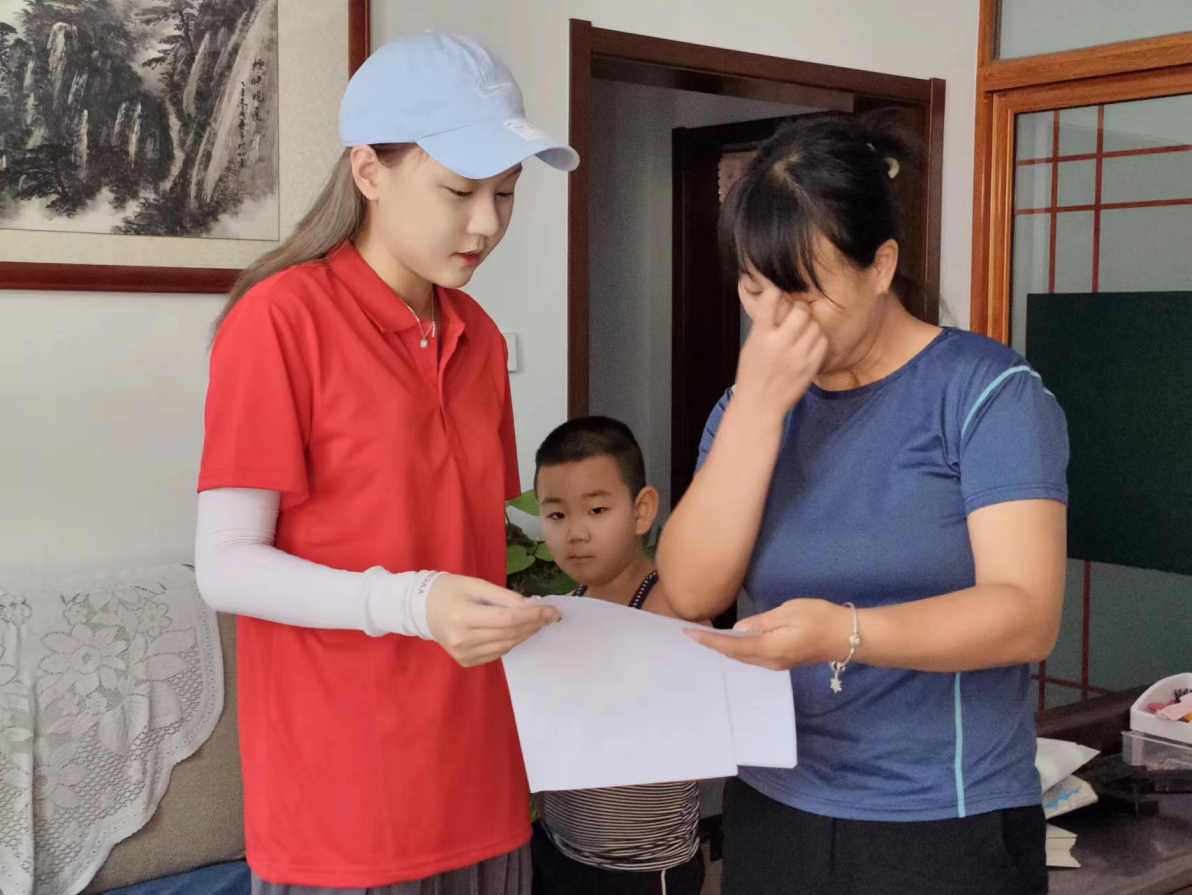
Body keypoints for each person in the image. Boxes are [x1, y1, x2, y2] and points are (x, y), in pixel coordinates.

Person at [193, 32, 577, 895]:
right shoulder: (280, 321)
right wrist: (411, 601)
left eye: (505, 194)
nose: (487, 223)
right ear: (369, 171)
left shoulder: (477, 340)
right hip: (343, 802)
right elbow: (225, 565)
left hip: (480, 783)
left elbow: (470, 549)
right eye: (459, 191)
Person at [656, 111, 1069, 895]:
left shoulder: (987, 393)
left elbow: (1026, 613)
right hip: (777, 801)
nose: (774, 322)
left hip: (944, 818)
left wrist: (844, 633)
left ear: (881, 266)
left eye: (802, 292)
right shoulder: (749, 406)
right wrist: (756, 411)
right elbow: (691, 586)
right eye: (755, 289)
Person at [529, 417, 706, 895]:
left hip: (644, 867)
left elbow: (702, 744)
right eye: (557, 515)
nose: (576, 533)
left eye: (597, 510)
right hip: (557, 845)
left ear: (641, 510)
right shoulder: (563, 611)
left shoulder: (670, 610)